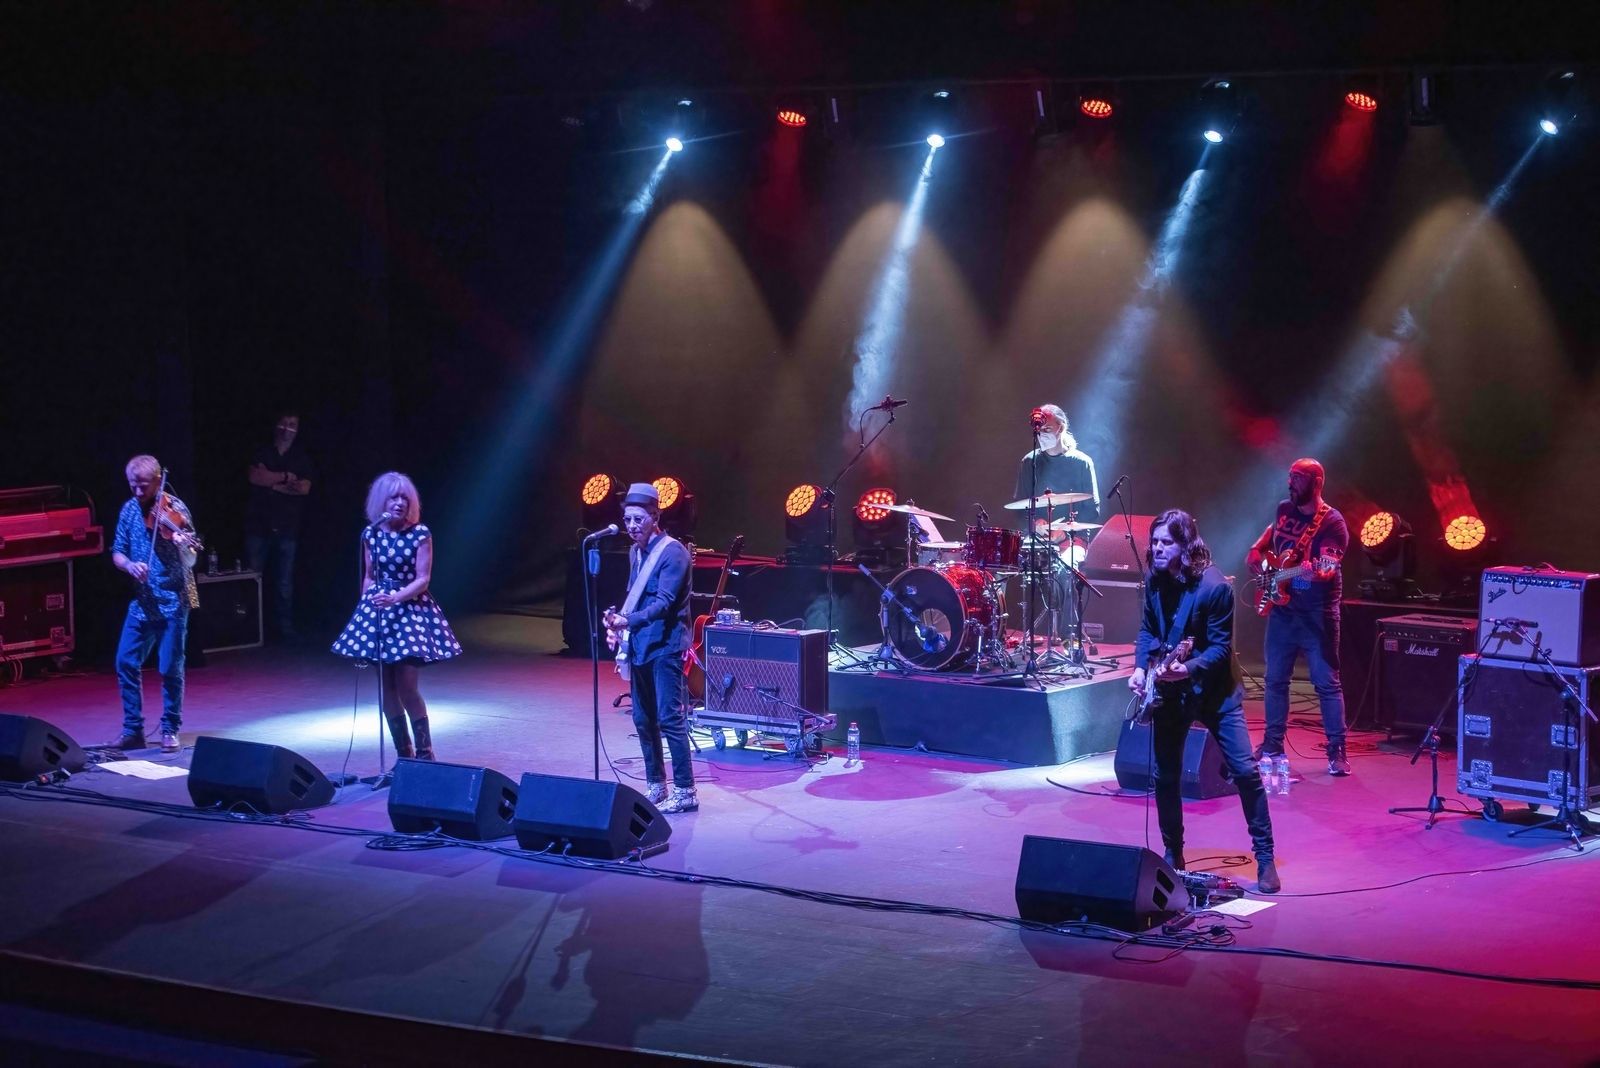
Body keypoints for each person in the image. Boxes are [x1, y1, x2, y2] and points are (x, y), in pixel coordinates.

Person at [1130, 509, 1279, 894]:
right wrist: (1141, 668)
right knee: (1166, 775)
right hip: (1172, 692)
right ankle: (1173, 852)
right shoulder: (1154, 580)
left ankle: (1265, 857)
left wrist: (1188, 668)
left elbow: (1220, 649)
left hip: (1215, 692)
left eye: (1166, 542)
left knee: (1245, 771)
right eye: (1155, 541)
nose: (1157, 549)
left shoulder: (1215, 588)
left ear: (1186, 545)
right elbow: (1147, 630)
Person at [330, 472, 461, 761]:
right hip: (380, 613)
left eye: (405, 498)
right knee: (386, 689)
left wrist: (396, 597)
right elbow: (369, 575)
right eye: (393, 497)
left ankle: (425, 755)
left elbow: (423, 579)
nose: (400, 503)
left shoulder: (420, 534)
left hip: (409, 612)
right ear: (381, 502)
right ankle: (404, 756)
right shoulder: (371, 534)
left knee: (407, 687)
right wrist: (367, 603)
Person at [1247, 458, 1351, 776]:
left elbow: (1328, 568)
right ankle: (1272, 745)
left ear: (1316, 483)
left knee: (1326, 683)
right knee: (1275, 680)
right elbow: (1270, 535)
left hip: (1317, 614)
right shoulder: (1284, 509)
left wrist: (1313, 572)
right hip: (1283, 611)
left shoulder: (1333, 522)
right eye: (1290, 476)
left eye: (1298, 477)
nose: (1290, 482)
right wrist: (1255, 551)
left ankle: (1337, 751)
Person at [602, 483, 697, 814]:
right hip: (641, 644)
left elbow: (664, 603)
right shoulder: (635, 552)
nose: (631, 526)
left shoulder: (673, 553)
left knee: (670, 718)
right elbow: (636, 596)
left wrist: (628, 621)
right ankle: (656, 783)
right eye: (627, 520)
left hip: (666, 645)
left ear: (655, 516)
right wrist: (618, 622)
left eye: (638, 519)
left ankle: (685, 790)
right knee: (643, 718)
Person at [108, 455, 201, 752]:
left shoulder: (176, 509)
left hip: (173, 599)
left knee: (170, 667)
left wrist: (183, 545)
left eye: (144, 486)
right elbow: (117, 552)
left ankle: (170, 728)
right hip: (143, 600)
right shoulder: (128, 510)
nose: (138, 492)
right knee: (125, 661)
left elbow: (191, 559)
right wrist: (129, 565)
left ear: (159, 481)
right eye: (133, 485)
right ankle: (133, 730)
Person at [1013, 404, 1101, 649]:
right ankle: (995, 635)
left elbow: (1092, 509)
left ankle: (1069, 635)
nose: (1042, 435)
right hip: (1038, 539)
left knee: (1066, 569)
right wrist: (1035, 523)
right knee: (1001, 567)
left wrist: (1066, 531)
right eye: (1039, 430)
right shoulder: (1029, 462)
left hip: (1073, 538)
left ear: (1061, 427)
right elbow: (1019, 507)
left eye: (1047, 429)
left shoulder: (1082, 462)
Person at [245, 411, 315, 640]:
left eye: (293, 425)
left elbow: (304, 488)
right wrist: (286, 478)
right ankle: (253, 629)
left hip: (287, 526)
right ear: (277, 425)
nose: (288, 429)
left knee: (284, 581)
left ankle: (284, 629)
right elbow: (255, 477)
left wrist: (271, 481)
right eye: (284, 424)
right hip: (259, 524)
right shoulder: (262, 451)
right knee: (254, 578)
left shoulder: (300, 457)